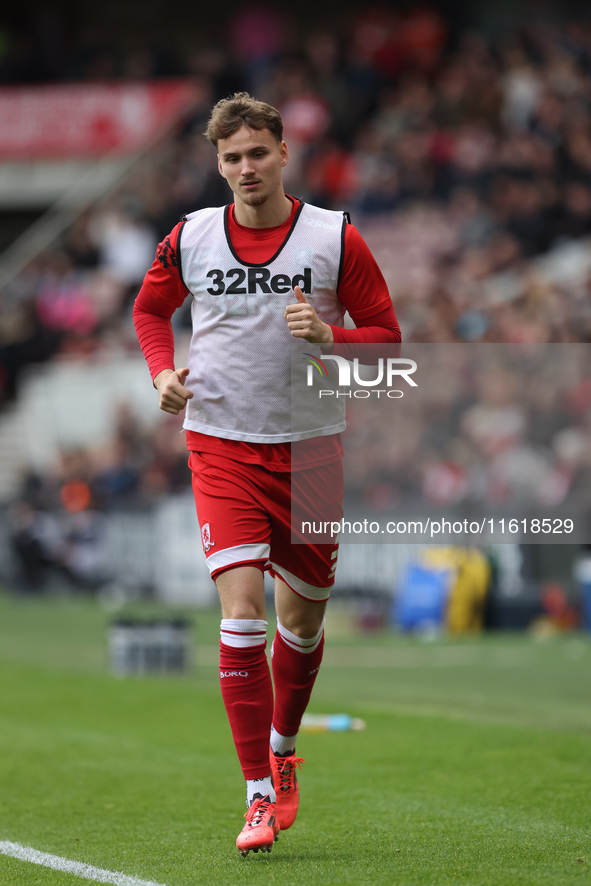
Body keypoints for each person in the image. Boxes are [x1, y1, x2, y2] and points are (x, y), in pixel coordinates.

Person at [133, 92, 400, 856]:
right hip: (219, 443)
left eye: (256, 153)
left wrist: (332, 335)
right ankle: (255, 793)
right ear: (216, 166)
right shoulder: (189, 236)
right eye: (230, 159)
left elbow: (388, 340)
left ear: (283, 152)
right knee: (242, 616)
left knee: (303, 622)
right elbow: (150, 313)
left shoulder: (333, 237)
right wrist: (160, 374)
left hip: (313, 450)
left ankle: (284, 748)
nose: (245, 169)